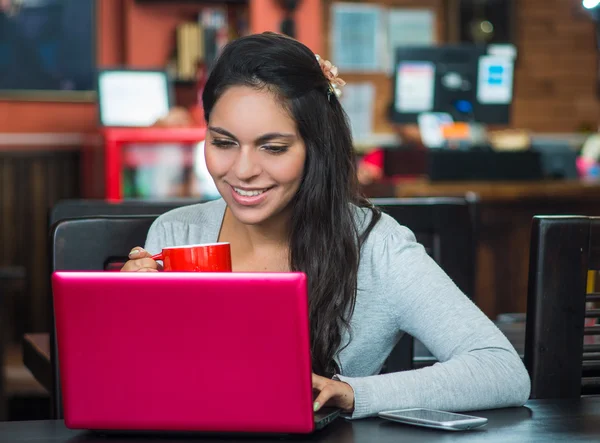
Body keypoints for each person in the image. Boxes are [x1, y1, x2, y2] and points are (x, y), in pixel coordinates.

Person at [121, 32, 530, 419]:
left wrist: (354, 393)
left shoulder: (377, 247)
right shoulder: (176, 234)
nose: (242, 171)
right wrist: (123, 319)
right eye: (223, 143)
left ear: (315, 148)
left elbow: (501, 370)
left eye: (273, 147)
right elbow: (148, 384)